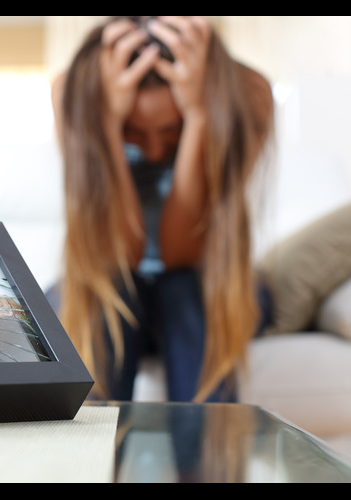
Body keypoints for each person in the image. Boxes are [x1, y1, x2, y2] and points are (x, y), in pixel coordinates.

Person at [47, 16, 275, 402]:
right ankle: (85, 459)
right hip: (111, 275)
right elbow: (117, 253)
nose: (153, 151)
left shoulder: (247, 92)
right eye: (132, 134)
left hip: (207, 277)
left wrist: (201, 114)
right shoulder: (74, 89)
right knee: (103, 295)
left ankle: (208, 462)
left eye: (173, 131)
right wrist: (105, 122)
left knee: (184, 292)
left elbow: (180, 254)